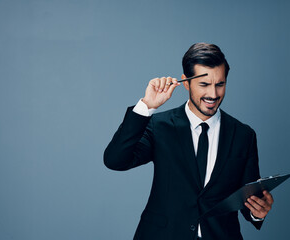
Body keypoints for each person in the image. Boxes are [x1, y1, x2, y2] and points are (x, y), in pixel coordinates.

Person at [104, 43, 274, 240]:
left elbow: (246, 199)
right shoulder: (159, 126)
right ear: (186, 82)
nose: (213, 94)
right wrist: (146, 107)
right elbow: (115, 160)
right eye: (204, 84)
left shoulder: (244, 135)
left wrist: (256, 212)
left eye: (220, 84)